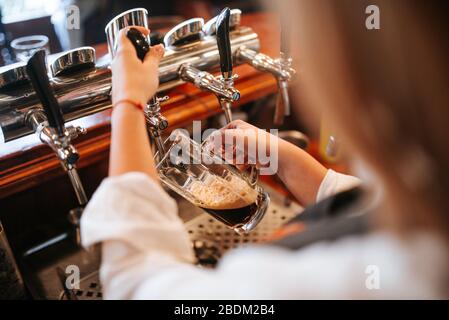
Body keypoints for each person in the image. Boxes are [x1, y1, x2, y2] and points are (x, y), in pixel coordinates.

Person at [81, 0, 449, 299]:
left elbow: (135, 280)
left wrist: (128, 100)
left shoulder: (334, 280)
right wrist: (287, 159)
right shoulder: (427, 201)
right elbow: (369, 202)